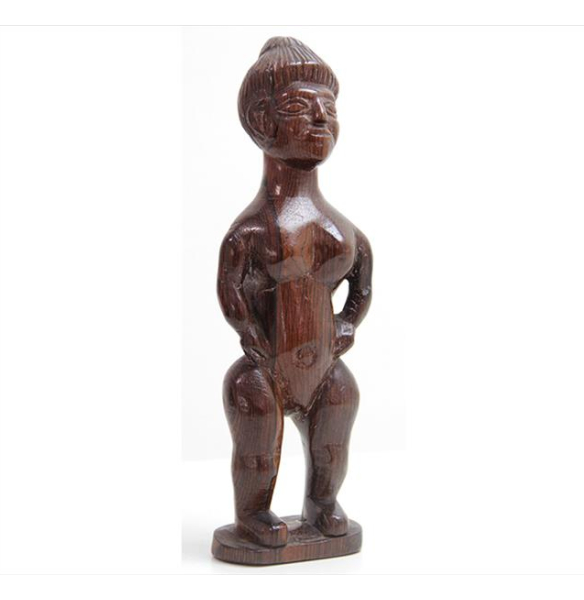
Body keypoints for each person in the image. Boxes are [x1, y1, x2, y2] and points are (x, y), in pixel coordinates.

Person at [217, 37, 373, 548]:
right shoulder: (253, 231)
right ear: (261, 121)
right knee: (257, 442)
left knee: (336, 424)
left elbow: (363, 281)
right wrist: (247, 330)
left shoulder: (343, 231)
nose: (321, 119)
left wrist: (348, 321)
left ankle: (323, 502)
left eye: (329, 108)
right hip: (264, 370)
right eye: (299, 107)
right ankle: (252, 514)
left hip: (324, 367)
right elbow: (229, 287)